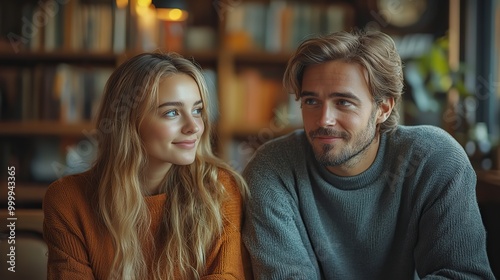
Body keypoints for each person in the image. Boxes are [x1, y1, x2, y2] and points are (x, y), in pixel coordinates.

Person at [242, 30, 495, 279]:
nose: (324, 119)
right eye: (311, 101)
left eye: (343, 102)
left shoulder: (434, 159)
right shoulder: (272, 168)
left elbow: (462, 275)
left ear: (383, 108)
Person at [43, 52, 251, 280]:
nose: (194, 127)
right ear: (128, 122)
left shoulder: (219, 189)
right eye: (172, 112)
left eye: (197, 110)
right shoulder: (68, 200)